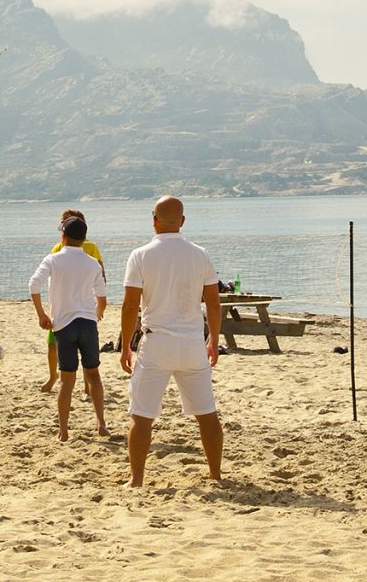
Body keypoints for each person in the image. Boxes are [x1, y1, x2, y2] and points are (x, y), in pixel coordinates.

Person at [117, 195, 223, 488]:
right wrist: (214, 340)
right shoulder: (199, 254)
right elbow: (214, 304)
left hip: (157, 343)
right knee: (206, 413)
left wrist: (126, 344)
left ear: (153, 220)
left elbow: (129, 306)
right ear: (183, 222)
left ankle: (136, 479)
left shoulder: (140, 255)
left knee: (142, 415)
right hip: (191, 342)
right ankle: (215, 474)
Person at [30, 213, 111, 441]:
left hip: (63, 325)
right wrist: (96, 314)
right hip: (87, 324)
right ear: (84, 238)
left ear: (63, 236)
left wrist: (41, 314)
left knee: (67, 380)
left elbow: (33, 284)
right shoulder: (92, 262)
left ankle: (63, 431)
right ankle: (101, 424)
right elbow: (102, 297)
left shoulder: (53, 259)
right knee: (94, 375)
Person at [40, 208, 105, 396]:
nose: (62, 227)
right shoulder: (57, 250)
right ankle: (53, 377)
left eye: (64, 223)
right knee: (53, 346)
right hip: (61, 309)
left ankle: (86, 386)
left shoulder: (90, 248)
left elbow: (100, 275)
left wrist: (98, 304)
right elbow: (51, 279)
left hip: (84, 308)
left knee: (86, 352)